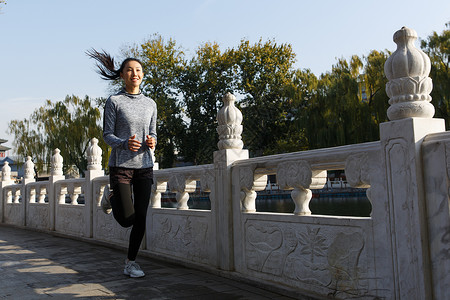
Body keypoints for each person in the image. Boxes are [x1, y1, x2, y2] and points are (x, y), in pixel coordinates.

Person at [87, 49, 157, 278]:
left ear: (142, 75)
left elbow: (154, 133)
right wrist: (125, 143)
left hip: (145, 165)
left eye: (138, 70)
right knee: (127, 219)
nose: (134, 73)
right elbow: (107, 135)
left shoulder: (150, 103)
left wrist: (152, 141)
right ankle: (112, 197)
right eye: (129, 70)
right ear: (122, 75)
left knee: (142, 217)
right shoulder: (114, 101)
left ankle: (131, 262)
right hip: (121, 166)